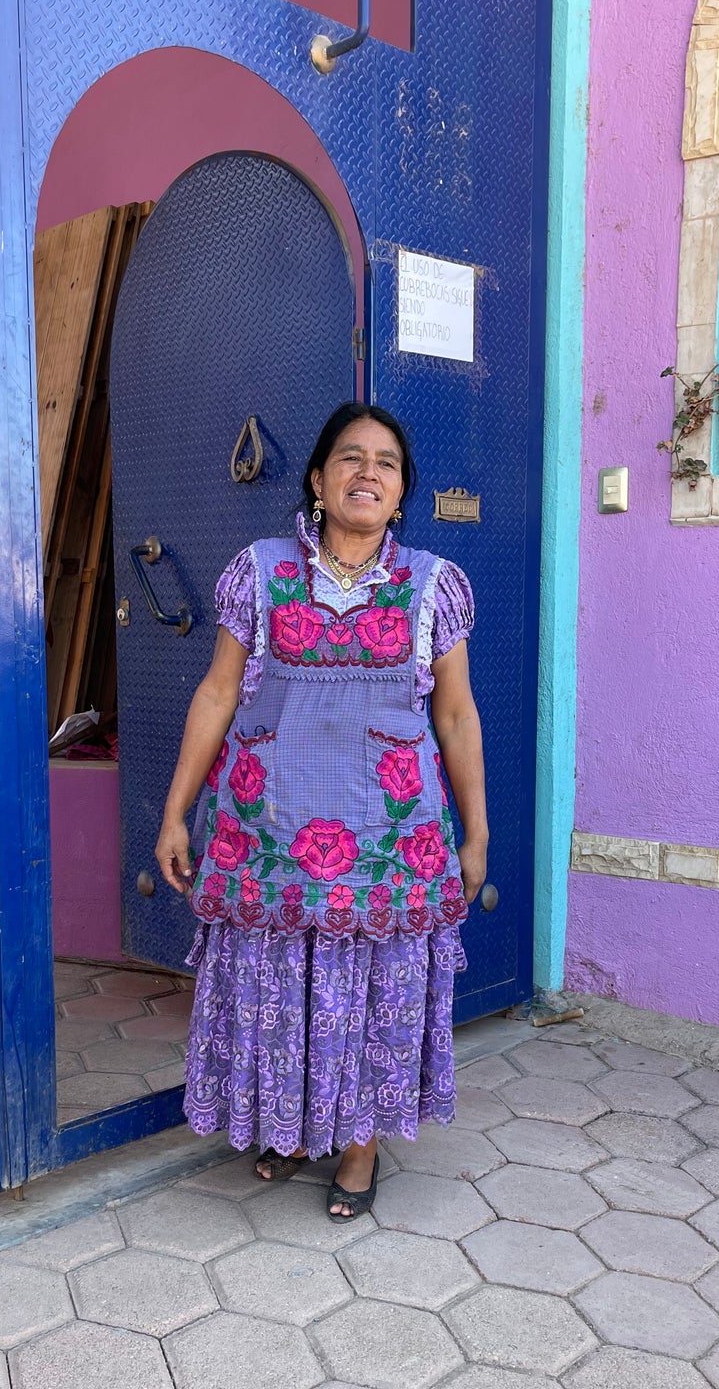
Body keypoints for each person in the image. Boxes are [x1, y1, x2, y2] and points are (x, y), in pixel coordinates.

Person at [154, 403, 488, 1218]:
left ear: (401, 492)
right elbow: (218, 691)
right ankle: (293, 1125)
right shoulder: (260, 572)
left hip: (390, 841)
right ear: (316, 478)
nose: (366, 472)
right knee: (283, 984)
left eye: (386, 463)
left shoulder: (432, 585)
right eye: (349, 457)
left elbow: (454, 714)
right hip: (266, 832)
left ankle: (360, 1145)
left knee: (372, 990)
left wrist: (476, 832)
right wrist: (174, 812)